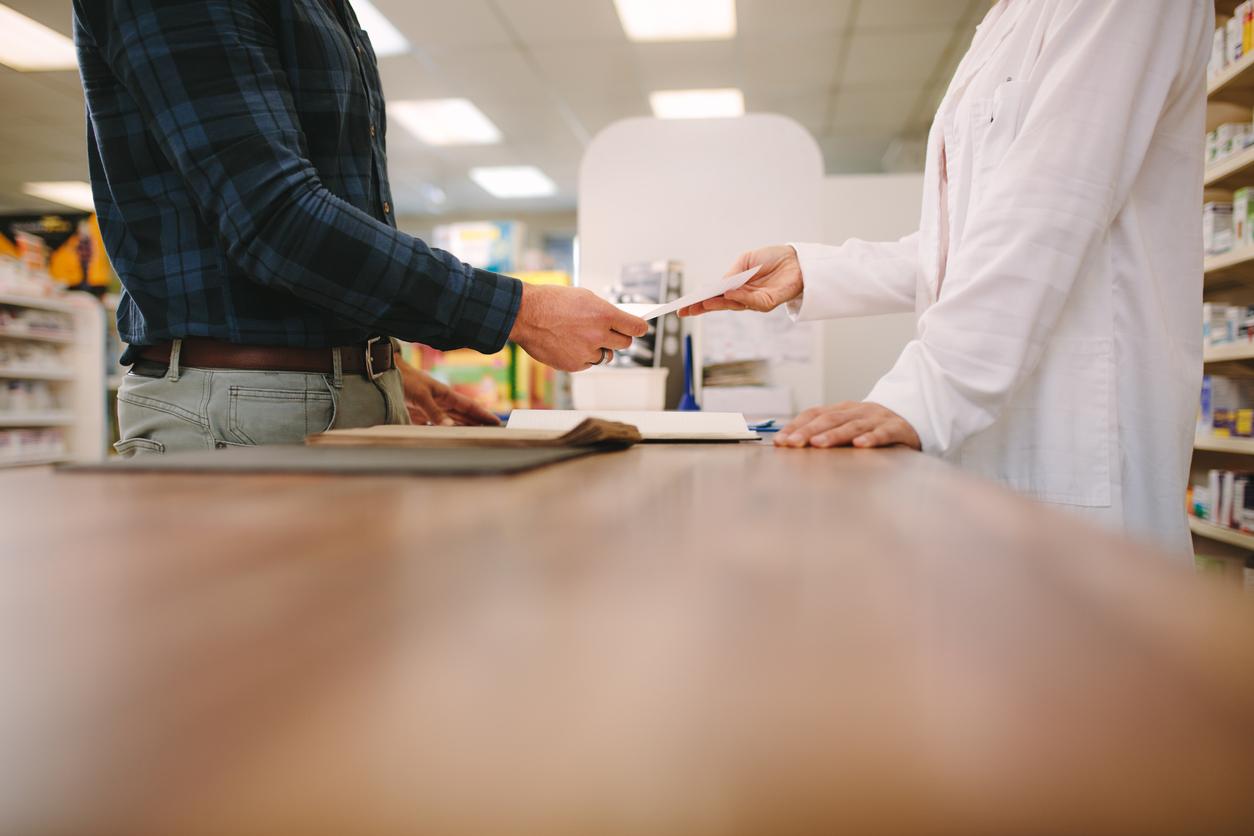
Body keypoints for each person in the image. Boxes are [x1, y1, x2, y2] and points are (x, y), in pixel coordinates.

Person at [682, 0, 1211, 554]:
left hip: (1083, 446)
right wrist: (810, 269)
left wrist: (923, 397)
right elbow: (963, 244)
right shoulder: (1008, 21)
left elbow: (1049, 209)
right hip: (996, 450)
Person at [72, 0, 646, 454]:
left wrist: (374, 364)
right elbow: (275, 220)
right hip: (239, 409)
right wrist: (522, 312)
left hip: (326, 392)